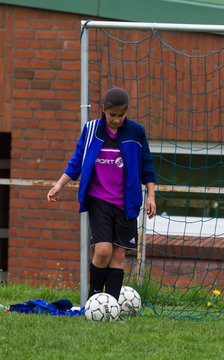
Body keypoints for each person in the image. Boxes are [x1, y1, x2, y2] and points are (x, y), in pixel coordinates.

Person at [47, 87, 156, 301]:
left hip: (126, 203)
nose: (116, 120)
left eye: (120, 115)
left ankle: (111, 306)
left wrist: (151, 195)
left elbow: (147, 167)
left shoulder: (136, 132)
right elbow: (77, 160)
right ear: (103, 110)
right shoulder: (91, 130)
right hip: (100, 201)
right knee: (103, 250)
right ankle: (94, 300)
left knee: (118, 255)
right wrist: (59, 185)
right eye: (112, 115)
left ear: (126, 112)